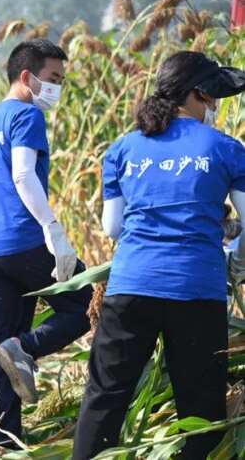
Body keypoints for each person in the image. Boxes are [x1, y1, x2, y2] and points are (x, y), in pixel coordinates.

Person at [73, 51, 245, 460]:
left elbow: (112, 227)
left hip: (131, 287)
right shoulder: (225, 148)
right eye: (213, 98)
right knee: (200, 408)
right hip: (196, 291)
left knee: (104, 398)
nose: (215, 107)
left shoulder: (123, 148)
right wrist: (236, 260)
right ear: (198, 94)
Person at [0, 39, 91, 447]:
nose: (58, 87)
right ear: (27, 77)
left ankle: (2, 440)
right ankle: (27, 347)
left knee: (4, 340)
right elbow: (23, 176)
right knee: (85, 303)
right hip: (24, 238)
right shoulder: (26, 115)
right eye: (53, 78)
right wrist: (53, 229)